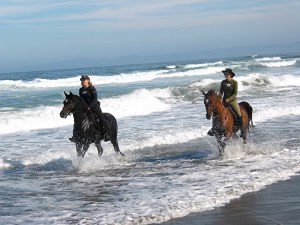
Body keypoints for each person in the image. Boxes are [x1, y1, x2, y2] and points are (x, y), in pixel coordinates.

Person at [69, 75, 109, 142]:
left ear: (88, 80)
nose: (82, 81)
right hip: (86, 108)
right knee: (78, 120)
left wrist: (89, 107)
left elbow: (95, 99)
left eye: (83, 80)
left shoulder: (92, 88)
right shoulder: (81, 90)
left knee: (101, 118)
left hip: (95, 106)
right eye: (81, 80)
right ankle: (75, 136)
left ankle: (105, 134)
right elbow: (81, 100)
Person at [207, 68, 244, 137]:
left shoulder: (234, 82)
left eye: (227, 74)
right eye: (225, 74)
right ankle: (213, 128)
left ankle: (241, 128)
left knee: (238, 113)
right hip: (224, 101)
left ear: (230, 75)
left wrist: (229, 99)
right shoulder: (223, 82)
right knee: (216, 113)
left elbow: (235, 94)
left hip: (233, 101)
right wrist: (219, 98)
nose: (225, 75)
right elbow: (221, 92)